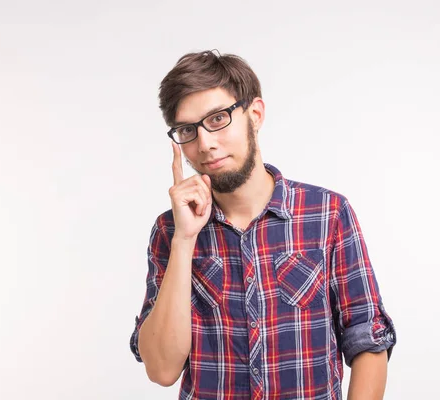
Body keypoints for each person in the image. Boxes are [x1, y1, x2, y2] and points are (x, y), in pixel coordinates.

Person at [129, 49, 397, 400]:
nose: (205, 144)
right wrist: (184, 239)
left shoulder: (327, 214)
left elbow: (367, 340)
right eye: (187, 130)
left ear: (254, 114)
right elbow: (162, 369)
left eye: (217, 119)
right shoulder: (170, 231)